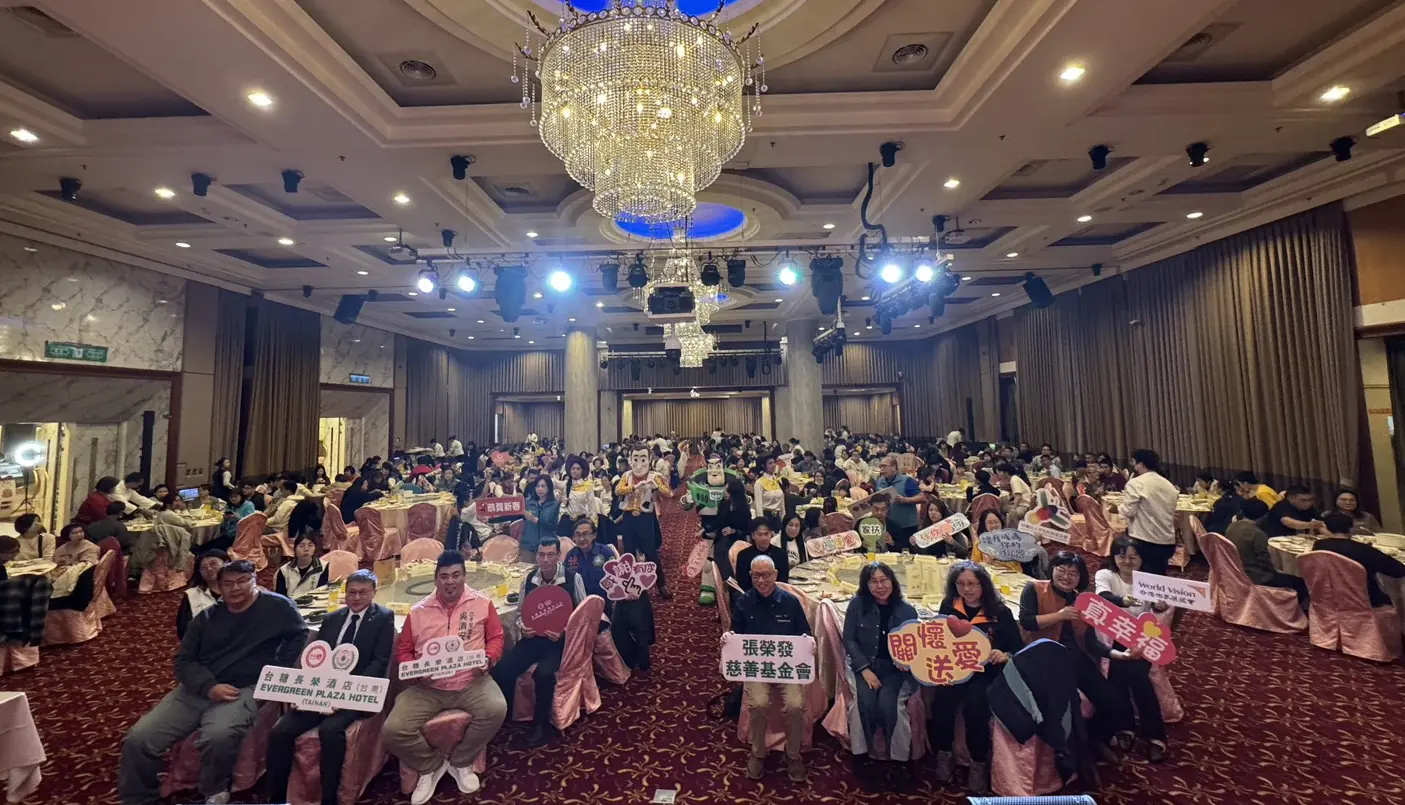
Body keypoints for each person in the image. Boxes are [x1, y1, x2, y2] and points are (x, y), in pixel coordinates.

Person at [119, 560, 307, 805]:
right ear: (219, 587)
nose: (235, 588)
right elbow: (184, 660)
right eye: (228, 583)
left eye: (242, 581)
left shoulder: (278, 607)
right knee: (139, 738)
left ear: (255, 581)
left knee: (217, 735)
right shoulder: (206, 618)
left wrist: (276, 668)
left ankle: (214, 788)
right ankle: (139, 797)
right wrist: (208, 687)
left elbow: (299, 633)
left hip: (243, 687)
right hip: (198, 688)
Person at [382, 550, 507, 804]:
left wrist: (488, 658)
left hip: (471, 681)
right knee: (393, 730)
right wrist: (418, 672)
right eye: (444, 576)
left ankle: (461, 761)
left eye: (456, 575)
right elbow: (404, 651)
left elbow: (496, 637)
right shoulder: (418, 611)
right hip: (428, 687)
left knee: (496, 709)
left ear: (465, 576)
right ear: (435, 579)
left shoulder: (482, 603)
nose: (450, 581)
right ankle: (431, 766)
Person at [265, 569, 394, 805]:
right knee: (280, 731)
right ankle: (277, 797)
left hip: (356, 692)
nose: (356, 598)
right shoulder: (332, 618)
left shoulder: (384, 618)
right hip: (323, 689)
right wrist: (305, 693)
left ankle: (329, 798)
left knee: (330, 730)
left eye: (363, 592)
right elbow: (319, 658)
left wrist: (343, 694)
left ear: (374, 593)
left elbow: (379, 663)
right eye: (352, 592)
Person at [1018, 552, 1129, 753]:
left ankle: (1095, 739)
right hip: (1043, 658)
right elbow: (1027, 622)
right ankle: (1075, 753)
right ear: (1052, 569)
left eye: (1073, 573)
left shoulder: (1083, 602)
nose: (1066, 576)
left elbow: (1091, 643)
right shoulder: (1034, 589)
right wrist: (1059, 616)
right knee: (1069, 703)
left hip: (1075, 658)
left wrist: (1118, 655)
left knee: (1114, 702)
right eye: (1061, 570)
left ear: (1080, 578)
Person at [931, 561, 1023, 793]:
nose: (967, 589)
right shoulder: (949, 605)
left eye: (972, 584)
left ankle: (978, 762)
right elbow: (939, 640)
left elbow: (1017, 647)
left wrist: (1004, 654)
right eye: (961, 584)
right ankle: (944, 753)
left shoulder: (1000, 612)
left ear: (983, 585)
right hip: (953, 669)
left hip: (985, 672)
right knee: (941, 701)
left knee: (976, 706)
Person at [492, 537, 587, 747]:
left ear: (558, 555)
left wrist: (563, 632)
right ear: (536, 556)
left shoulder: (573, 579)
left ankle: (541, 725)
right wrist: (522, 627)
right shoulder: (529, 579)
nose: (545, 560)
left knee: (543, 674)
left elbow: (583, 616)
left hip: (559, 642)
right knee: (502, 669)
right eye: (541, 555)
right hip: (533, 638)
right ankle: (505, 715)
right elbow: (520, 613)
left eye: (550, 555)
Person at [731, 555, 810, 782]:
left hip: (786, 667)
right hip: (757, 667)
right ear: (750, 576)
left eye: (766, 575)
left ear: (775, 575)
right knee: (758, 703)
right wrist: (728, 640)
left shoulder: (790, 602)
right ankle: (758, 752)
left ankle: (793, 754)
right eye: (756, 576)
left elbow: (804, 634)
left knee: (795, 705)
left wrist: (809, 642)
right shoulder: (743, 602)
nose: (761, 581)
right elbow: (736, 636)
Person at [1093, 539, 1170, 762]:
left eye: (1133, 556)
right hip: (1112, 636)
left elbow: (1158, 610)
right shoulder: (1106, 575)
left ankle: (1155, 735)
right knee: (1117, 675)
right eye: (1121, 555)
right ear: (1114, 557)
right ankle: (1125, 726)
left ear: (1142, 558)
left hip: (1142, 638)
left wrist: (1158, 606)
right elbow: (1103, 596)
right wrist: (1123, 600)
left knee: (1137, 677)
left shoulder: (1149, 580)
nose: (1127, 561)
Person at [842, 562, 919, 770]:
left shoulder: (907, 611)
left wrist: (907, 662)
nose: (880, 586)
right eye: (873, 582)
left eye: (884, 580)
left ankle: (899, 760)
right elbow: (849, 639)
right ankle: (861, 754)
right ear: (866, 585)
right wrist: (864, 669)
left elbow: (915, 646)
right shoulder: (857, 605)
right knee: (863, 703)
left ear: (892, 581)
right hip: (864, 664)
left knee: (890, 706)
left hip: (895, 671)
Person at [615, 447, 673, 599]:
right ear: (630, 460)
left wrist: (656, 487)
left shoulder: (655, 476)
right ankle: (630, 586)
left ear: (649, 460)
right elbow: (618, 490)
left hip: (645, 518)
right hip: (628, 518)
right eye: (635, 459)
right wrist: (633, 487)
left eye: (643, 459)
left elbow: (669, 493)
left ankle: (661, 585)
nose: (639, 463)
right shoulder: (626, 476)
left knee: (650, 552)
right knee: (628, 553)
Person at [1313, 512, 1405, 608]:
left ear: (1327, 528)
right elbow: (1398, 570)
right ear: (1351, 528)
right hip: (1364, 600)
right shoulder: (1363, 549)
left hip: (1328, 598)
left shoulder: (1319, 545)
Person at [1118, 449, 1179, 576]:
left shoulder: (1136, 483)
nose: (1133, 467)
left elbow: (1128, 511)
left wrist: (1117, 508)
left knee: (1143, 578)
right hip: (1167, 540)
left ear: (1140, 464)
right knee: (1159, 575)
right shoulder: (1168, 485)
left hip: (1144, 539)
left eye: (1134, 462)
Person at [874, 456, 923, 551]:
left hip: (906, 525)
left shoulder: (907, 480)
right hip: (888, 526)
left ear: (893, 467)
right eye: (880, 467)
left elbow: (922, 498)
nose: (882, 469)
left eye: (884, 466)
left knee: (906, 551)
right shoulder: (880, 481)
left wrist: (905, 500)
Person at [176, 549, 228, 639]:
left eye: (213, 563)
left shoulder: (240, 589)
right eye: (203, 567)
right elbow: (184, 630)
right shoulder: (192, 595)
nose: (209, 569)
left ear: (227, 563)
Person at [734, 518, 789, 592]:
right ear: (753, 535)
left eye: (766, 534)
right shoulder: (743, 556)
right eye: (760, 534)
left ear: (771, 534)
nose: (764, 538)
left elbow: (783, 582)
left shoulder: (781, 554)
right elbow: (743, 584)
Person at [522, 476, 560, 562]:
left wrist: (535, 520)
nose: (540, 489)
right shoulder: (528, 502)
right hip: (529, 545)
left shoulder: (555, 504)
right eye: (537, 486)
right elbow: (515, 515)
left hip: (547, 547)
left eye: (543, 486)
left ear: (549, 488)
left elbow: (554, 527)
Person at [995, 463, 1034, 528]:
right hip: (1023, 503)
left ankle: (1007, 527)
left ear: (1006, 473)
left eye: (999, 472)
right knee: (1003, 505)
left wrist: (1013, 507)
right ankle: (1004, 525)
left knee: (1003, 508)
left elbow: (1018, 495)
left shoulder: (1014, 480)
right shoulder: (1014, 478)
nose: (998, 474)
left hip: (1024, 506)